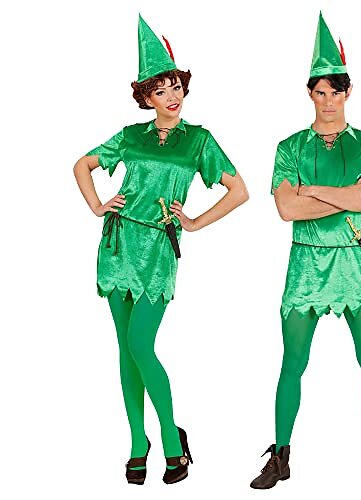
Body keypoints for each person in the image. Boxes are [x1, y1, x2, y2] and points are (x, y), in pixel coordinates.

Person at [73, 15, 248, 486]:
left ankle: (171, 436)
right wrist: (97, 205)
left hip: (157, 250)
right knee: (125, 350)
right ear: (146, 97)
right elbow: (82, 165)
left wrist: (192, 221)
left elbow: (239, 191)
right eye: (160, 90)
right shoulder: (131, 136)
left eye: (176, 87)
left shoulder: (199, 140)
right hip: (117, 245)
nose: (172, 96)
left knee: (140, 343)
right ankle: (137, 442)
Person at [250, 12, 361, 490]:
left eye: (336, 92)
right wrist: (346, 194)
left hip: (355, 261)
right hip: (306, 264)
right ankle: (280, 456)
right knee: (292, 363)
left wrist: (312, 190)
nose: (328, 101)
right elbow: (286, 209)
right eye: (320, 92)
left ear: (348, 92)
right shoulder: (289, 147)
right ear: (310, 94)